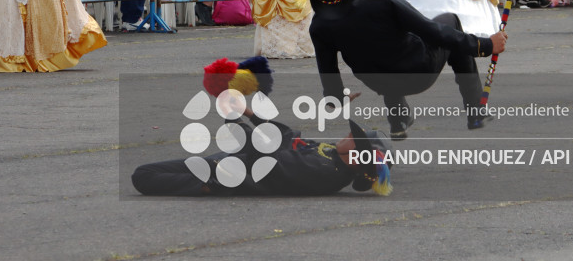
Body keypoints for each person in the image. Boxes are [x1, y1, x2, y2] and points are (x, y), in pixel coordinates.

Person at [305, 0, 507, 140]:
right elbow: (432, 31)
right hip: (419, 72)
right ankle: (475, 110)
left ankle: (399, 120)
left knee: (381, 51)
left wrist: (337, 97)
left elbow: (328, 70)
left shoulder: (319, 25)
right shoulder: (380, 0)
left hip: (378, 82)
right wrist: (484, 45)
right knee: (450, 21)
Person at [132, 58, 392, 197]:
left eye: (354, 138)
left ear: (357, 157)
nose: (348, 135)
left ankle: (203, 187)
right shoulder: (332, 157)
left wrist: (232, 119)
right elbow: (286, 137)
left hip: (231, 176)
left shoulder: (325, 172)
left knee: (143, 176)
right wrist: (247, 112)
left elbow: (267, 158)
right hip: (235, 160)